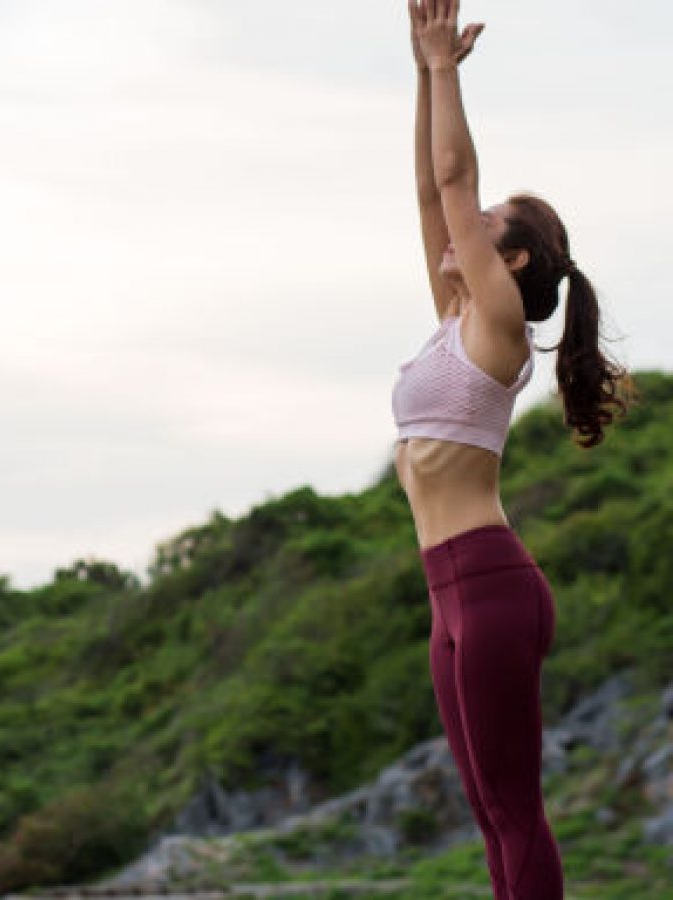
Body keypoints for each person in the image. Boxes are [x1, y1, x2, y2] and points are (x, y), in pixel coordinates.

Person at [393, 1, 636, 898]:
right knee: (487, 809)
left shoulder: (492, 324)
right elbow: (432, 189)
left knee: (514, 807)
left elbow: (455, 181)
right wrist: (423, 72)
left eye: (488, 221)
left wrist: (449, 72)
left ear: (516, 265)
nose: (464, 223)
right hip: (448, 594)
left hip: (492, 586)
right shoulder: (453, 316)